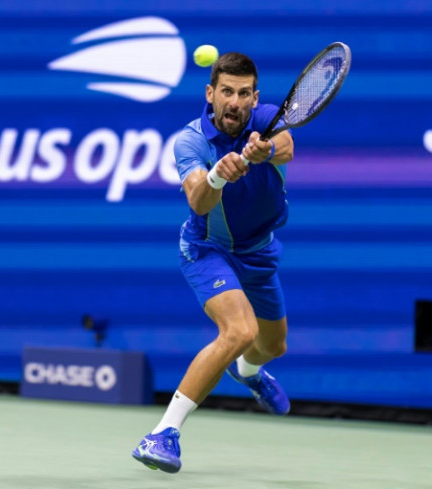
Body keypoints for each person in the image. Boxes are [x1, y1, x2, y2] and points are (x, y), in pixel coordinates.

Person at [131, 52, 295, 474]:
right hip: (209, 250)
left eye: (243, 94)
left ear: (254, 97)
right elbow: (197, 199)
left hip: (259, 252)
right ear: (211, 93)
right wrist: (218, 175)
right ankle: (163, 433)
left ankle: (249, 373)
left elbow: (287, 147)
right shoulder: (190, 140)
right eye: (226, 92)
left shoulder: (269, 120)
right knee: (240, 330)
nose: (234, 102)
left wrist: (265, 150)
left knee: (273, 345)